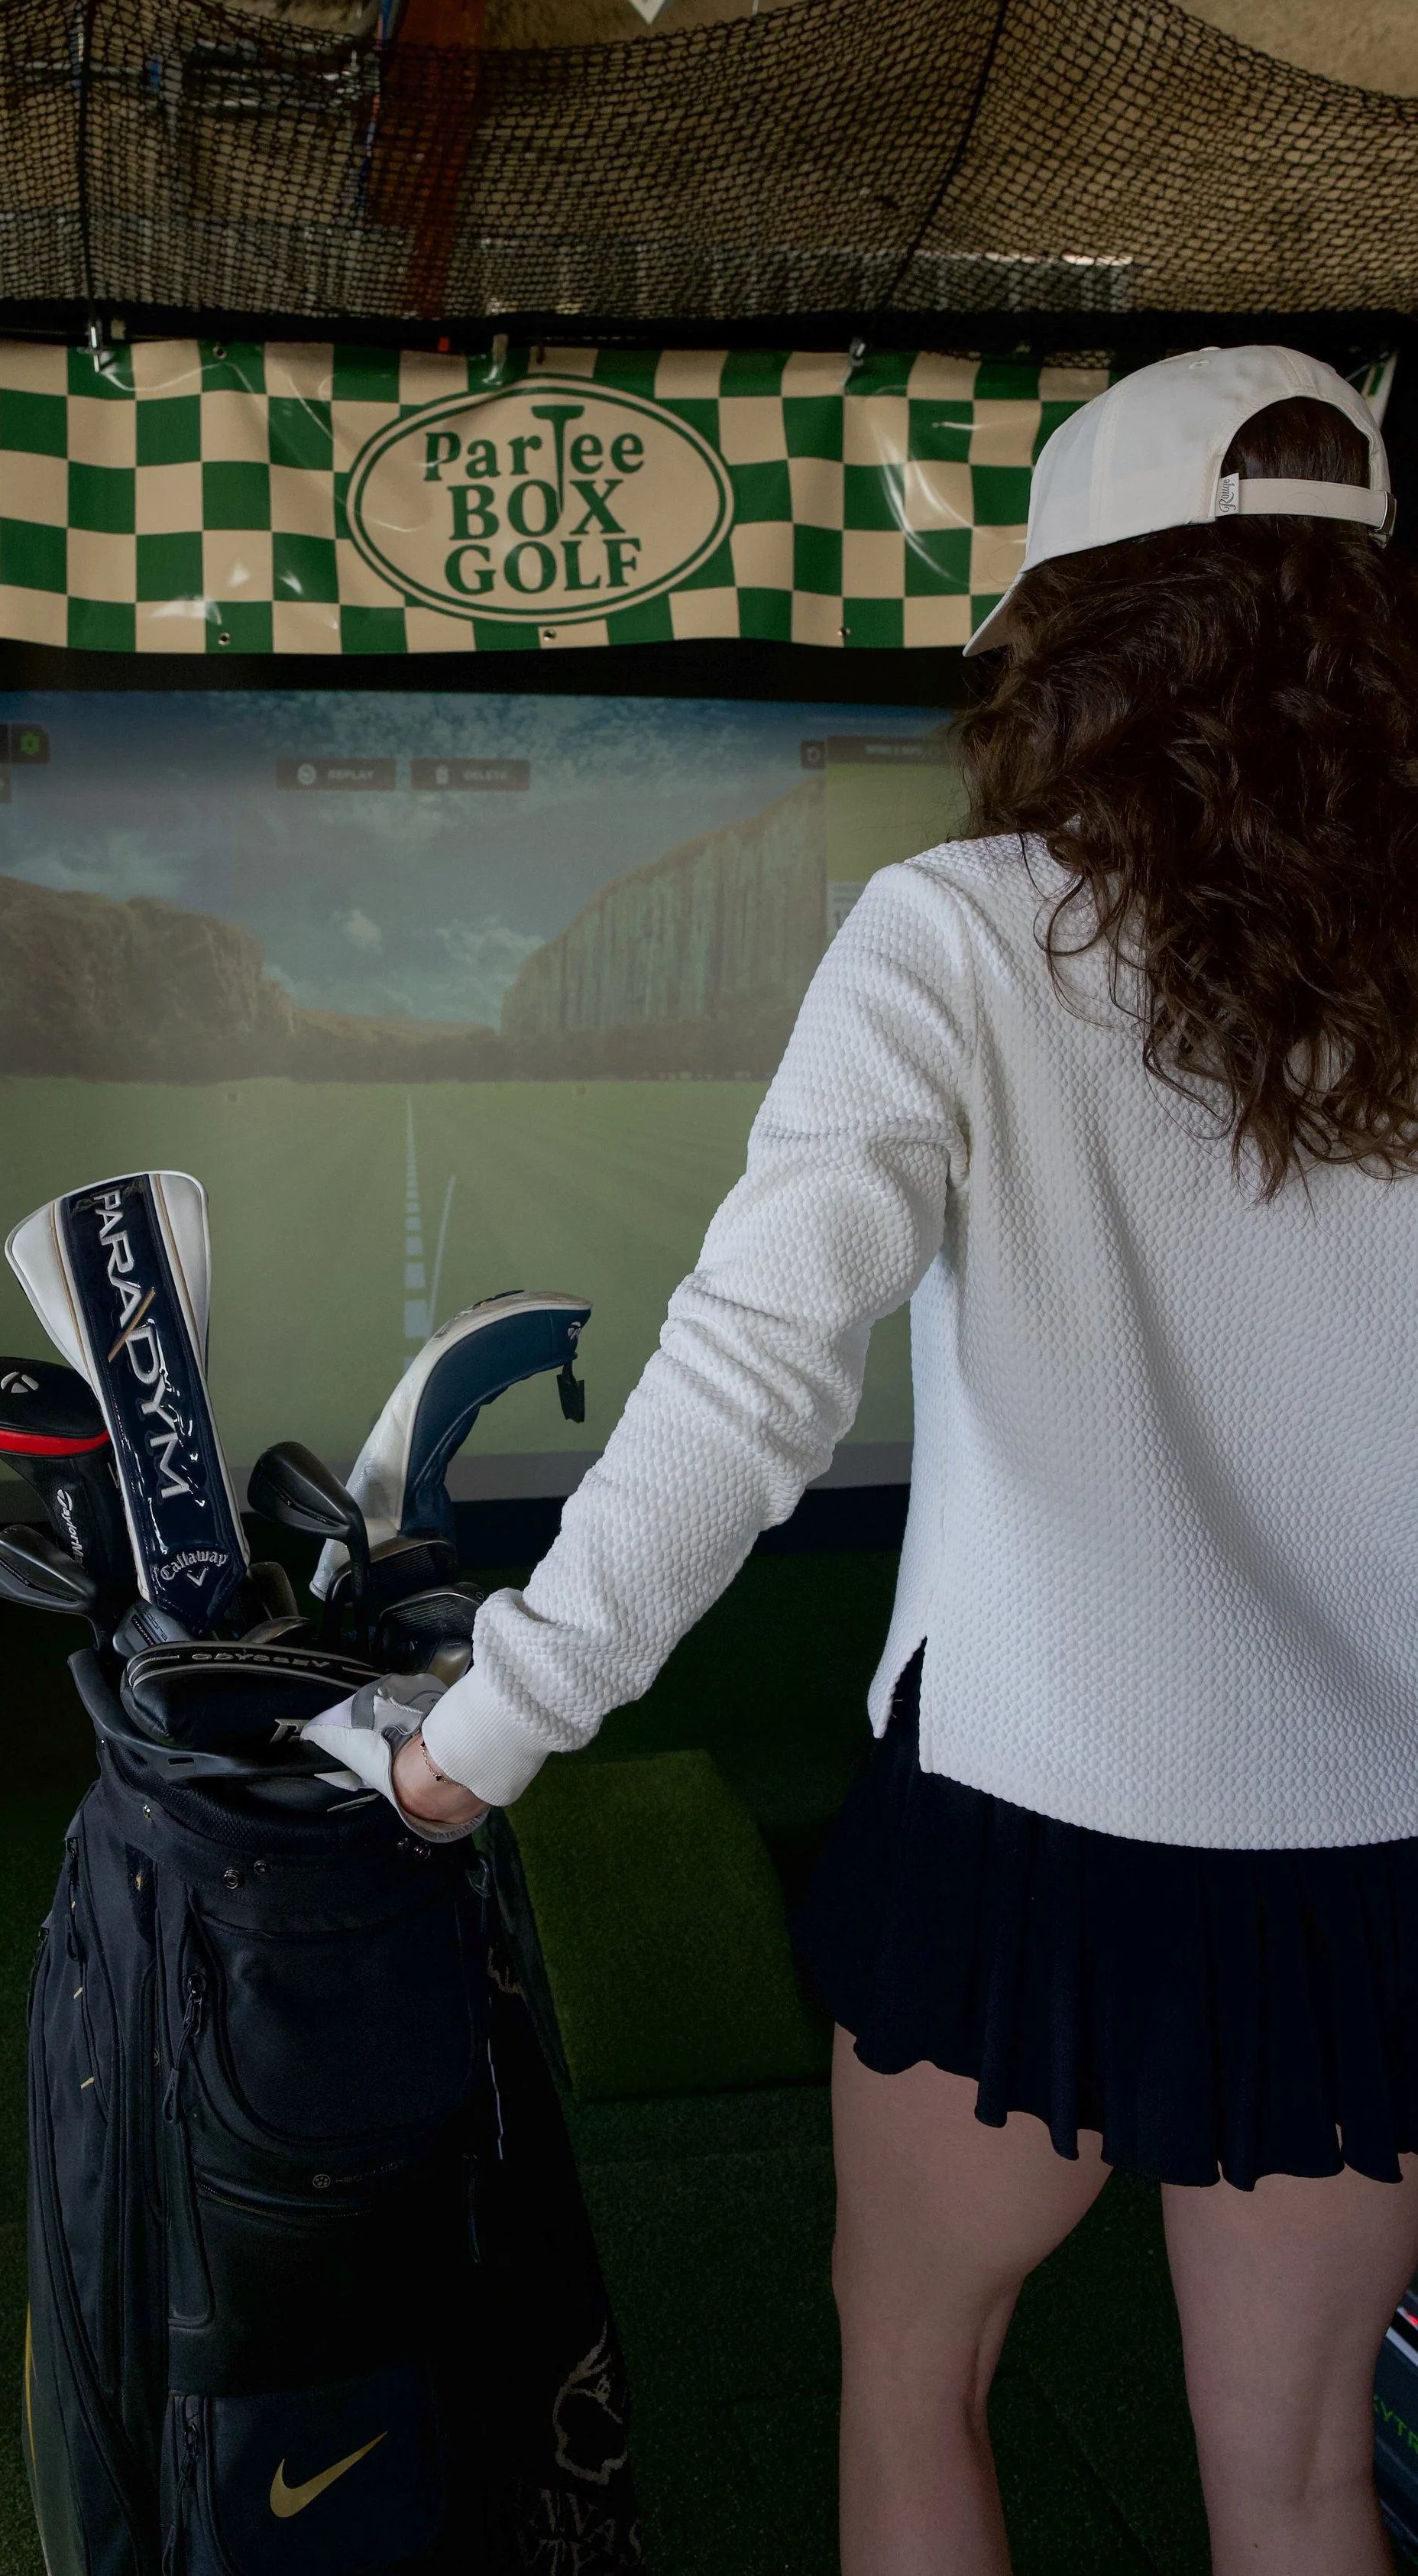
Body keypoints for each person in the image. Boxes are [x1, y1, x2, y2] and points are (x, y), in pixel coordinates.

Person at [393, 344, 1418, 2574]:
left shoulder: (951, 936)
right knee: (1305, 2473)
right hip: (1371, 1860)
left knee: (908, 2375)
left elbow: (747, 1381)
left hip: (1027, 1832)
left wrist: (485, 1726)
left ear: (1067, 633)